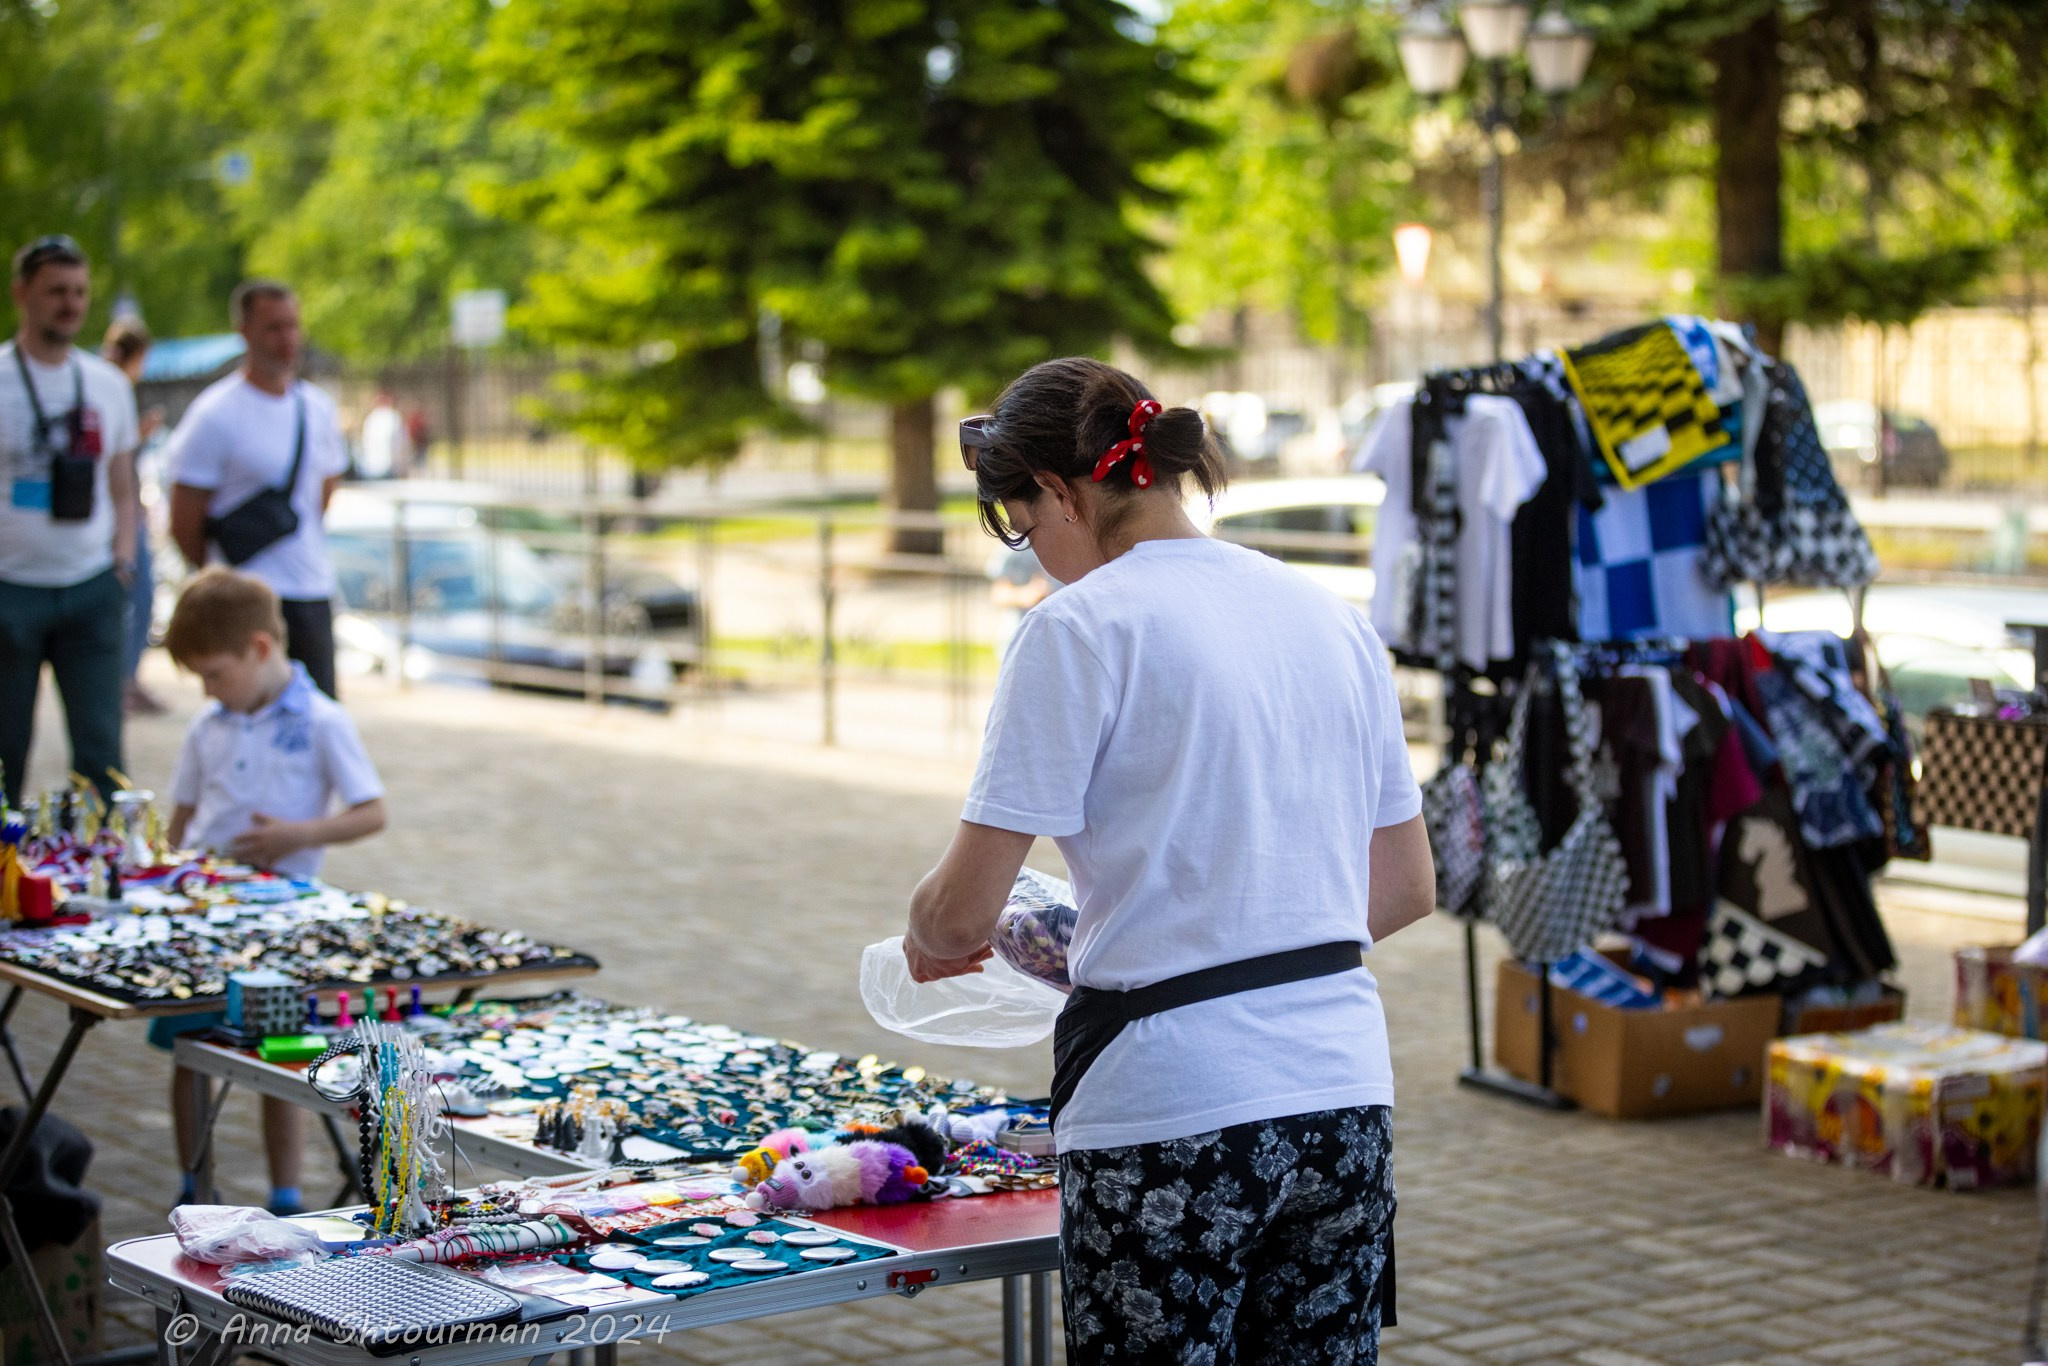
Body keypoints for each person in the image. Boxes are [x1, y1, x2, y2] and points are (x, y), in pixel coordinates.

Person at [905, 358, 1435, 1364]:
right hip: (1339, 1095)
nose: (1034, 558)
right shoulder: (1329, 617)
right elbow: (1407, 886)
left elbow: (962, 913)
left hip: (1168, 1108)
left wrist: (926, 930)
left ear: (1057, 493)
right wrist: (1234, 924)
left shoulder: (1076, 631)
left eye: (1021, 526)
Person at [155, 567, 387, 1213]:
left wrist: (299, 834)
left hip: (285, 921)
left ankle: (287, 1193)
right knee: (190, 1049)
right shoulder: (209, 725)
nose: (209, 689)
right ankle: (193, 1180)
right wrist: (170, 879)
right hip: (206, 918)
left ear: (260, 648)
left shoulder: (322, 720)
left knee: (277, 1057)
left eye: (215, 673)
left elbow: (372, 810)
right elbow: (181, 819)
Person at [0, 235, 141, 806]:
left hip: (90, 587)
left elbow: (124, 485)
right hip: (11, 589)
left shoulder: (107, 384)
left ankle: (105, 875)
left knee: (102, 751)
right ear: (22, 295)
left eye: (79, 291)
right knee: (6, 748)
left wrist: (123, 563)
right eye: (56, 291)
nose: (71, 303)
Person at [166, 280, 349, 698]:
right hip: (244, 600)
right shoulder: (215, 413)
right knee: (245, 720)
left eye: (292, 326)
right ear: (244, 330)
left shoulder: (317, 407)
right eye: (273, 327)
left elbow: (322, 493)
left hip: (309, 591)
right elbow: (185, 520)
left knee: (313, 719)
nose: (287, 338)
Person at [102, 318, 168, 715]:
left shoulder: (106, 385)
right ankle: (124, 681)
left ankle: (126, 678)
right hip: (119, 517)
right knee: (138, 594)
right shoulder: (112, 388)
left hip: (120, 511)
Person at [356, 389, 412, 480]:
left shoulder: (371, 418)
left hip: (372, 466)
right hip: (386, 467)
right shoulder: (392, 417)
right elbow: (401, 444)